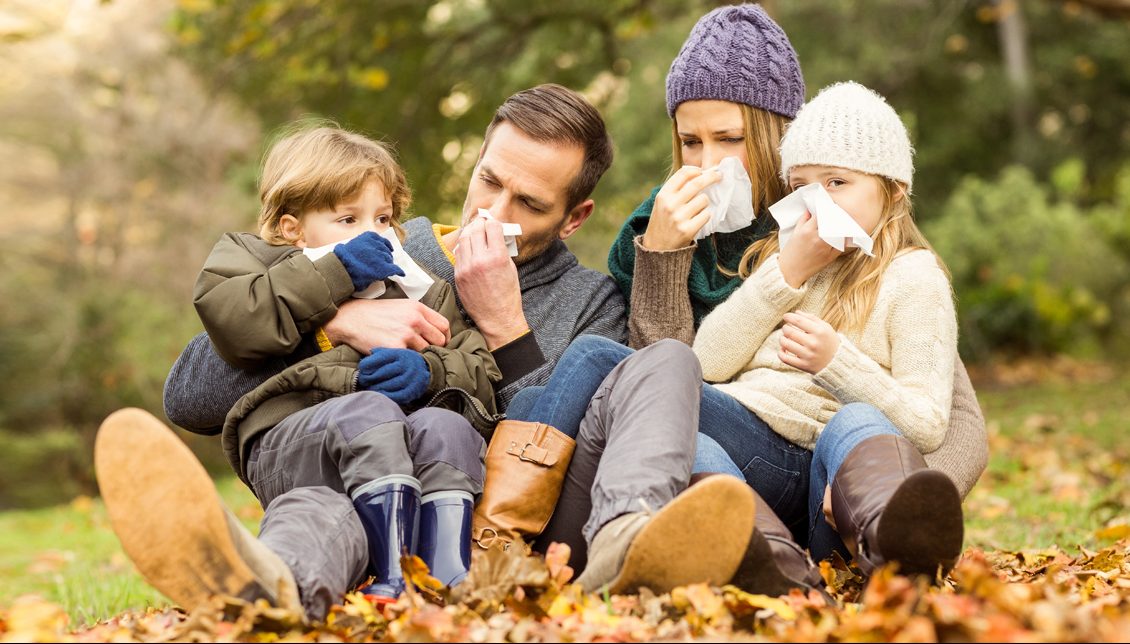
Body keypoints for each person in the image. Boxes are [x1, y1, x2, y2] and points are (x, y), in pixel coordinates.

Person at [98, 123, 502, 619]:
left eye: (382, 218)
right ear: (292, 227)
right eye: (348, 219)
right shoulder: (252, 261)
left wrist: (429, 371)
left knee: (441, 432)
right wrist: (335, 275)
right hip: (292, 445)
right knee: (349, 443)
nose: (373, 233)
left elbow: (478, 369)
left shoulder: (421, 288)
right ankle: (260, 581)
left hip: (389, 466)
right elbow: (236, 319)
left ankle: (432, 586)